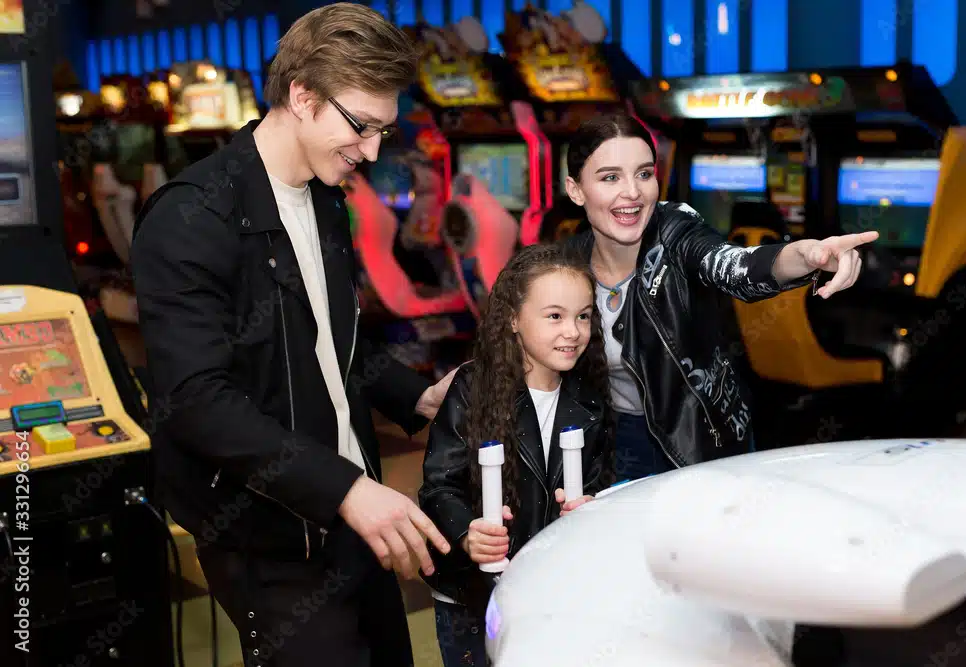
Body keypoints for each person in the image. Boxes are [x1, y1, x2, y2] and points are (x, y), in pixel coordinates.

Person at [130, 5, 456, 666]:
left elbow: (328, 342)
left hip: (350, 512)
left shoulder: (326, 197)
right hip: (268, 535)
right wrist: (344, 488)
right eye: (361, 127)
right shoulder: (193, 217)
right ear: (302, 96)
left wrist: (415, 397)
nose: (370, 152)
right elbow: (197, 402)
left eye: (381, 132)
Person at [561, 114, 878, 481]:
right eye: (610, 177)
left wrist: (809, 255)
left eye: (644, 174)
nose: (632, 192)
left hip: (699, 437)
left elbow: (738, 266)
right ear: (576, 189)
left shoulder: (675, 231)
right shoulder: (565, 265)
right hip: (608, 438)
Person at [418, 243, 615, 667]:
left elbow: (599, 483)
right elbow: (438, 486)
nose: (573, 331)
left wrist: (593, 509)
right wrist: (467, 534)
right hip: (470, 598)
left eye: (583, 316)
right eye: (555, 316)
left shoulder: (590, 402)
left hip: (548, 591)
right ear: (512, 319)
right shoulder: (474, 388)